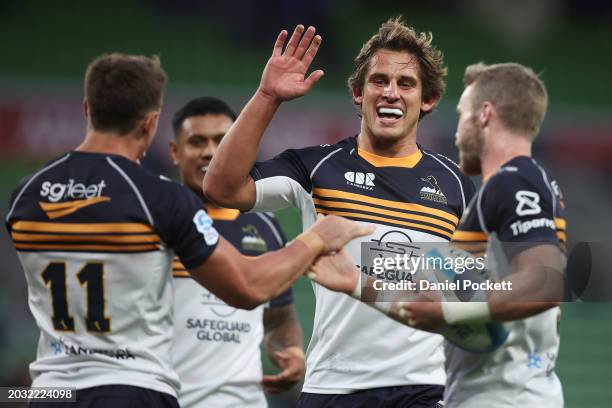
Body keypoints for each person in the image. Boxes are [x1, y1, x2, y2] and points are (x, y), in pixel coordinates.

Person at [4, 54, 372, 408]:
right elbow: (248, 288)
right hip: (133, 388)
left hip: (50, 392)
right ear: (152, 124)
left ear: (87, 109)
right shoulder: (159, 199)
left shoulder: (26, 194)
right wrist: (316, 238)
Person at [203, 18, 475, 407]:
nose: (391, 93)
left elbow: (475, 291)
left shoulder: (458, 186)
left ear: (427, 99)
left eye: (406, 84)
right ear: (357, 93)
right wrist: (267, 96)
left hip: (427, 386)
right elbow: (222, 187)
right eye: (379, 81)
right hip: (334, 385)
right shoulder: (316, 168)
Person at [313, 63, 567, 407]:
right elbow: (430, 305)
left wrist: (450, 312)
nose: (458, 133)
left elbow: (544, 282)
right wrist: (356, 283)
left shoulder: (515, 181)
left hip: (507, 397)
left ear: (485, 115)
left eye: (462, 114)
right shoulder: (505, 190)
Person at [169, 97, 306, 407]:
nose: (209, 151)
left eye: (222, 140)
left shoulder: (266, 226)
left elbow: (279, 320)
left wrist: (292, 351)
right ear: (175, 152)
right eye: (196, 142)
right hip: (166, 399)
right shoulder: (155, 220)